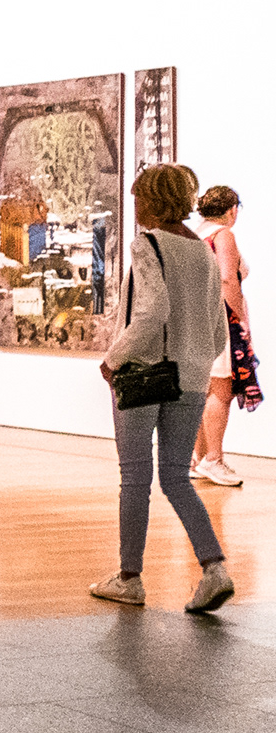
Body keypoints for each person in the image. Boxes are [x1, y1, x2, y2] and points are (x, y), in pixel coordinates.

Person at [91, 163, 233, 612]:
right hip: (191, 379)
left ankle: (129, 578)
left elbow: (152, 312)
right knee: (176, 478)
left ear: (151, 200)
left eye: (138, 198)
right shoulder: (203, 252)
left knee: (135, 477)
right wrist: (194, 362)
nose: (134, 206)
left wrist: (114, 359)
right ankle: (214, 569)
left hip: (145, 374)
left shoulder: (148, 244)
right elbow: (218, 332)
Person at [190, 185, 259, 485]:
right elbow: (228, 279)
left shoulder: (195, 235)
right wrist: (240, 319)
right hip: (219, 320)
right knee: (221, 388)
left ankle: (197, 459)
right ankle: (213, 459)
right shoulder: (223, 235)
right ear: (232, 210)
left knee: (201, 389)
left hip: (195, 320)